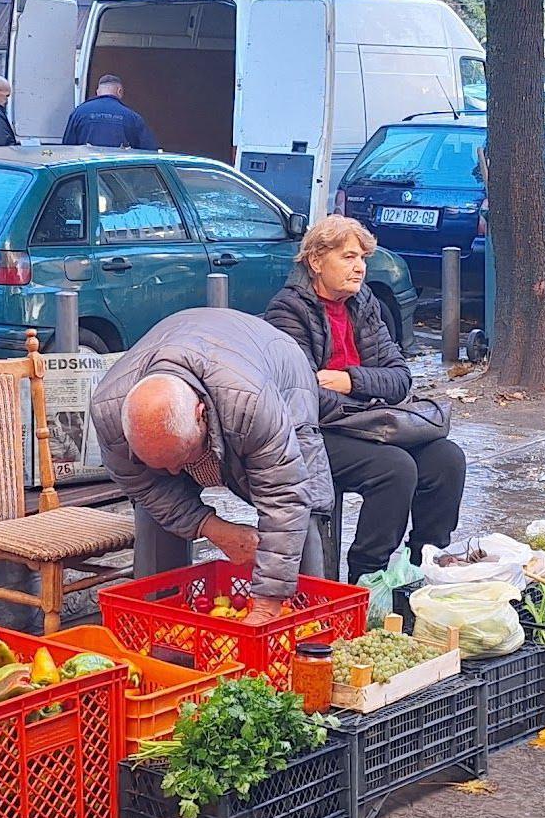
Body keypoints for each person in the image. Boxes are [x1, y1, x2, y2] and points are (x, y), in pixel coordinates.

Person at [90, 308, 333, 625]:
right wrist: (213, 528)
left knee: (305, 509)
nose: (176, 474)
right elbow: (147, 488)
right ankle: (164, 628)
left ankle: (310, 627)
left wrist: (265, 606)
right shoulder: (107, 413)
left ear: (200, 414)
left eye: (180, 460)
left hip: (279, 371)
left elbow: (284, 497)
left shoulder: (251, 403)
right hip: (200, 356)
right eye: (162, 465)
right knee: (154, 514)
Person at [264, 215, 465, 583]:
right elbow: (303, 394)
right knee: (394, 468)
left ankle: (423, 564)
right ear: (316, 261)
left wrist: (349, 380)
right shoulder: (288, 310)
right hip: (315, 431)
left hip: (370, 421)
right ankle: (367, 577)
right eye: (348, 257)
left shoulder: (363, 301)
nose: (359, 268)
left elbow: (400, 378)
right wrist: (368, 394)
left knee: (446, 458)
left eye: (363, 259)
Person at [62, 75, 157, 150]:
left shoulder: (79, 113)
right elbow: (148, 152)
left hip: (86, 171)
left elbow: (67, 148)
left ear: (98, 92)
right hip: (117, 172)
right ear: (119, 91)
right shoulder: (132, 117)